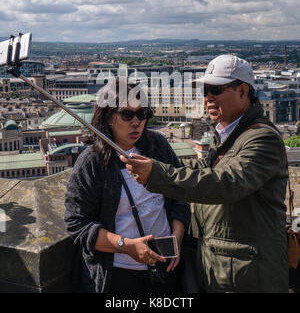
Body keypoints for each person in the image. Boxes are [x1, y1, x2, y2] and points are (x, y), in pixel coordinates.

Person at [121, 55, 289, 293]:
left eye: (215, 89)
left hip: (249, 276)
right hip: (225, 271)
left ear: (243, 91)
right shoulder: (227, 134)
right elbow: (203, 172)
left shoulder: (263, 139)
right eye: (204, 90)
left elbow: (225, 183)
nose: (207, 97)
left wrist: (158, 175)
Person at [64, 78, 190, 293]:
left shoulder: (156, 145)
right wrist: (126, 246)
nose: (136, 122)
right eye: (127, 114)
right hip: (119, 274)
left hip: (165, 267)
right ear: (108, 117)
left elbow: (180, 194)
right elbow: (77, 224)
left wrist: (176, 239)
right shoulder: (92, 162)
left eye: (142, 114)